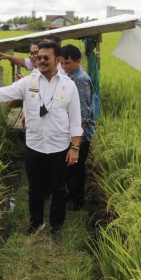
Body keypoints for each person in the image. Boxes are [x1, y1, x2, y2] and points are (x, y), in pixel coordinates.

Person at [0, 41, 83, 236]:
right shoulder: (29, 82)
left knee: (58, 189)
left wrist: (75, 147)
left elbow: (75, 118)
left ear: (58, 60)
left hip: (59, 146)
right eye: (38, 58)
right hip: (35, 145)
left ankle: (56, 226)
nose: (41, 61)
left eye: (46, 57)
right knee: (35, 187)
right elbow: (6, 92)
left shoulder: (69, 86)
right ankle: (36, 223)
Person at [60, 44, 96, 211]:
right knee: (71, 168)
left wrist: (76, 141)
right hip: (72, 133)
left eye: (68, 63)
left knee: (76, 169)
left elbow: (82, 113)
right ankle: (72, 198)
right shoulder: (70, 77)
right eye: (62, 63)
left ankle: (77, 202)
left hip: (80, 134)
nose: (65, 67)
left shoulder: (80, 79)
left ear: (77, 61)